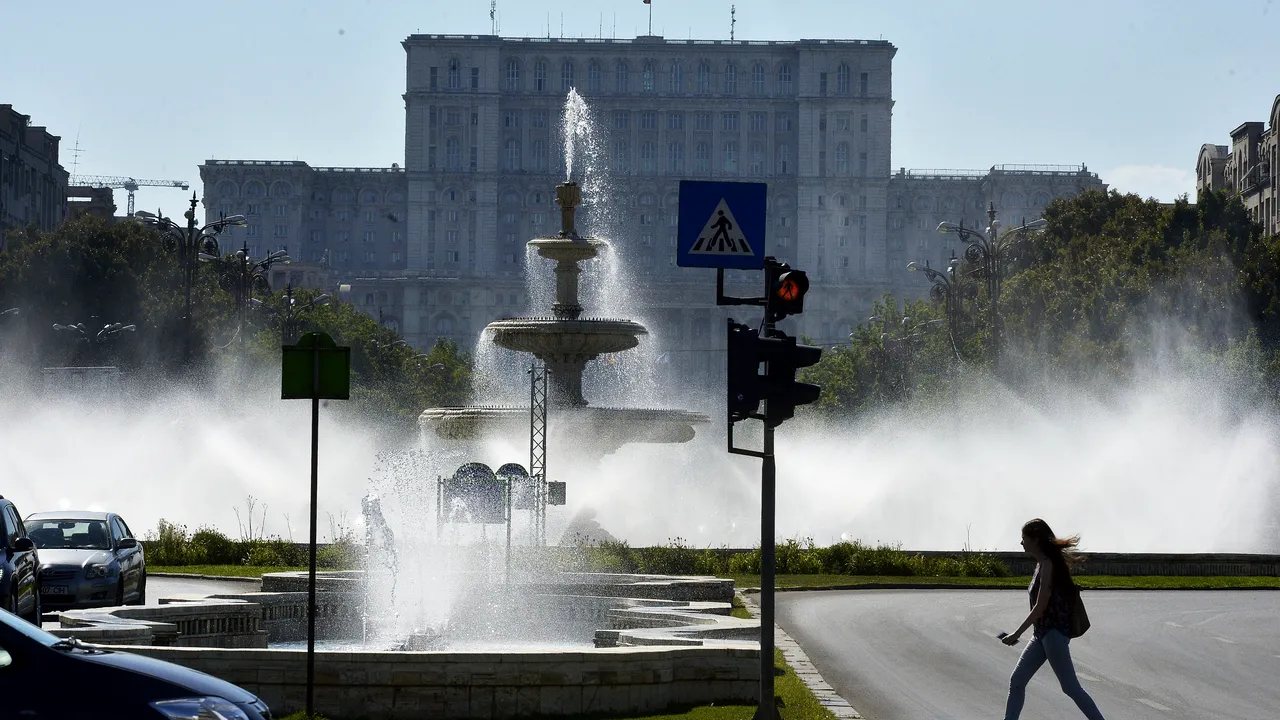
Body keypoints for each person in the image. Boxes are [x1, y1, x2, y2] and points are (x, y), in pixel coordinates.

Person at [1001, 518, 1106, 720]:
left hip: (1053, 635)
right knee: (1017, 681)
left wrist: (1017, 633)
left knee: (1070, 688)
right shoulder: (1041, 564)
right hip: (1042, 634)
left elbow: (1040, 607)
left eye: (1024, 538)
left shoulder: (1048, 565)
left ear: (1036, 540)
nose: (1021, 542)